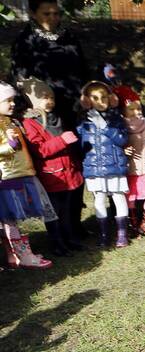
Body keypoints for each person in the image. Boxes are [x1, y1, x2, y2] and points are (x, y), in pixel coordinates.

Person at [11, 0, 90, 237]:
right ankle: (59, 231)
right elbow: (20, 78)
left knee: (75, 165)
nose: (53, 17)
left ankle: (75, 225)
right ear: (34, 14)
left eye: (56, 13)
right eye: (47, 13)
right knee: (55, 170)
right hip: (45, 116)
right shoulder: (26, 42)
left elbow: (83, 69)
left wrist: (86, 93)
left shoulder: (68, 37)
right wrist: (30, 108)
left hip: (73, 111)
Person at [20, 78, 83, 255]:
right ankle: (58, 244)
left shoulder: (55, 118)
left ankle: (70, 239)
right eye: (44, 97)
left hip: (67, 171)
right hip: (52, 175)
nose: (50, 101)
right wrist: (62, 140)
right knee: (55, 213)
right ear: (33, 100)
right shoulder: (30, 123)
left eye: (51, 97)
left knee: (67, 211)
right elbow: (39, 151)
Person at [0, 81, 56, 268]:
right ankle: (24, 257)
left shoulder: (6, 120)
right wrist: (11, 143)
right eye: (7, 100)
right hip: (7, 176)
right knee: (11, 219)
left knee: (9, 219)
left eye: (12, 99)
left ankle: (14, 256)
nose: (13, 104)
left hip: (17, 173)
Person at [77, 81, 131, 248]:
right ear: (87, 100)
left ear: (110, 98)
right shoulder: (83, 121)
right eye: (95, 98)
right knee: (99, 199)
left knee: (118, 197)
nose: (101, 101)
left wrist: (105, 126)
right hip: (94, 166)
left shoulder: (116, 118)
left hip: (114, 164)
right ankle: (104, 234)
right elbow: (80, 145)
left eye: (104, 97)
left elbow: (122, 139)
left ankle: (122, 235)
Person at [115, 86, 145, 239]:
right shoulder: (120, 126)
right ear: (123, 110)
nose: (137, 112)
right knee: (130, 200)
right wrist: (122, 151)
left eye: (138, 108)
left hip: (144, 170)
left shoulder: (144, 124)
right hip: (128, 170)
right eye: (132, 109)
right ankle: (133, 225)